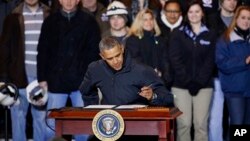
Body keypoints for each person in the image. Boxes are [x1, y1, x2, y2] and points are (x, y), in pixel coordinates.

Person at [37, 0, 101, 140]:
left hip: (81, 81)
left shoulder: (89, 21)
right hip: (56, 81)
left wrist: (90, 78)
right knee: (51, 126)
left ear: (78, 0)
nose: (69, 2)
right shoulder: (50, 22)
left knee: (83, 127)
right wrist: (42, 79)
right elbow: (43, 51)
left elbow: (94, 53)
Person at [0, 0, 50, 141]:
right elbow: (4, 48)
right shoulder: (13, 16)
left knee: (41, 119)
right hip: (19, 77)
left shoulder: (48, 15)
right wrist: (5, 78)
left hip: (42, 79)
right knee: (18, 118)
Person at [168, 1, 216, 141]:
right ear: (186, 14)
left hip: (204, 86)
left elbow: (210, 61)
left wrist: (199, 82)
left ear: (202, 13)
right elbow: (175, 60)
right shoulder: (177, 34)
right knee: (184, 124)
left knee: (201, 125)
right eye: (190, 12)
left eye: (197, 11)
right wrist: (188, 81)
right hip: (181, 85)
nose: (194, 15)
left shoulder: (210, 34)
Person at [80, 36, 174, 107]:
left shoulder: (141, 70)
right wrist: (93, 110)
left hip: (136, 120)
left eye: (117, 55)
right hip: (109, 121)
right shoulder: (95, 69)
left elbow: (167, 97)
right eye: (110, 58)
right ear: (102, 56)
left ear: (122, 49)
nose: (116, 61)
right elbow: (86, 92)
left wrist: (153, 96)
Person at [215, 4, 250, 134]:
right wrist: (244, 61)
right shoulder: (225, 39)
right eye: (243, 18)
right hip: (235, 91)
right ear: (236, 18)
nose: (246, 21)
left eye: (249, 18)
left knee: (246, 127)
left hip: (249, 90)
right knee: (238, 126)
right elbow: (222, 64)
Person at [206, 0, 238, 141]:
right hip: (216, 74)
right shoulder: (210, 19)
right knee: (215, 117)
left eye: (235, 0)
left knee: (238, 118)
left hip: (239, 75)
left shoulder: (242, 18)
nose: (232, 2)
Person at [126, 9, 171, 88]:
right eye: (145, 20)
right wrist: (152, 72)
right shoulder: (132, 40)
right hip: (141, 84)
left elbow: (165, 60)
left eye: (151, 19)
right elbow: (135, 62)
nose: (149, 22)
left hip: (160, 82)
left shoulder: (159, 39)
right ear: (139, 22)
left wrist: (165, 76)